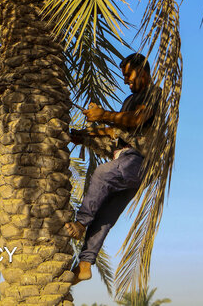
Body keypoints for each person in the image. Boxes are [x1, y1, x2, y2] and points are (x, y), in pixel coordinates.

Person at [65, 53, 160, 284]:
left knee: (102, 173)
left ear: (144, 71)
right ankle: (85, 265)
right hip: (126, 161)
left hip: (139, 161)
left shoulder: (154, 94)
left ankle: (80, 222)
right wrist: (85, 136)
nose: (126, 80)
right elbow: (116, 132)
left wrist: (104, 115)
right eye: (124, 76)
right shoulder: (129, 99)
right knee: (105, 216)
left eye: (129, 74)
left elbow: (136, 120)